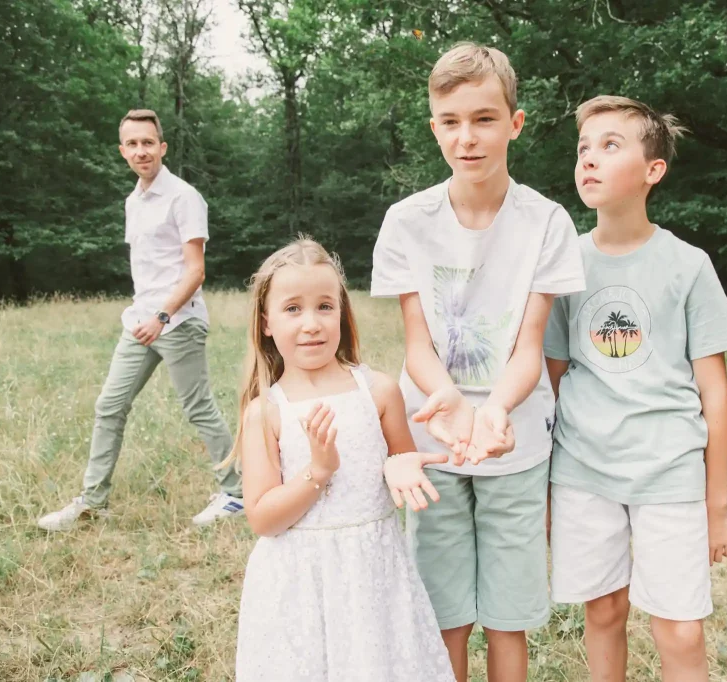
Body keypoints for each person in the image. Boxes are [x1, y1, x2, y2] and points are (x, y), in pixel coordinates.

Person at [370, 42, 585, 682]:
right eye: (452, 121)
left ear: (514, 124)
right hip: (432, 437)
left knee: (507, 615)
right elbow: (417, 345)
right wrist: (451, 402)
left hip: (513, 437)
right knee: (444, 611)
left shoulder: (547, 222)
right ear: (434, 127)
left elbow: (529, 346)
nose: (467, 137)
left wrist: (493, 409)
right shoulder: (405, 221)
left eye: (485, 119)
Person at [545, 95, 727, 682]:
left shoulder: (688, 264)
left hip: (669, 471)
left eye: (610, 145)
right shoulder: (563, 265)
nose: (589, 159)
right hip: (584, 469)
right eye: (583, 148)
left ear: (653, 170)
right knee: (604, 611)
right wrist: (546, 489)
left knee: (680, 628)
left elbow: (715, 394)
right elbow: (551, 381)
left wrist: (717, 506)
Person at [229, 238, 455, 681]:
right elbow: (263, 518)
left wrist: (401, 465)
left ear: (342, 313)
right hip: (300, 584)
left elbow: (400, 458)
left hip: (373, 575)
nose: (311, 324)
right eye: (293, 309)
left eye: (324, 306)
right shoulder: (266, 412)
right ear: (266, 322)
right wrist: (319, 471)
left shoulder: (378, 392)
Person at [38, 109, 242, 532]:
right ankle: (93, 503)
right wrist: (147, 318)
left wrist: (163, 316)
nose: (140, 151)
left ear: (162, 147)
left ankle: (237, 494)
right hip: (140, 324)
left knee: (198, 407)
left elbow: (195, 271)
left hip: (178, 322)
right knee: (109, 406)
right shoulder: (133, 201)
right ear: (122, 151)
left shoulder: (184, 197)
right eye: (132, 144)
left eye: (148, 142)